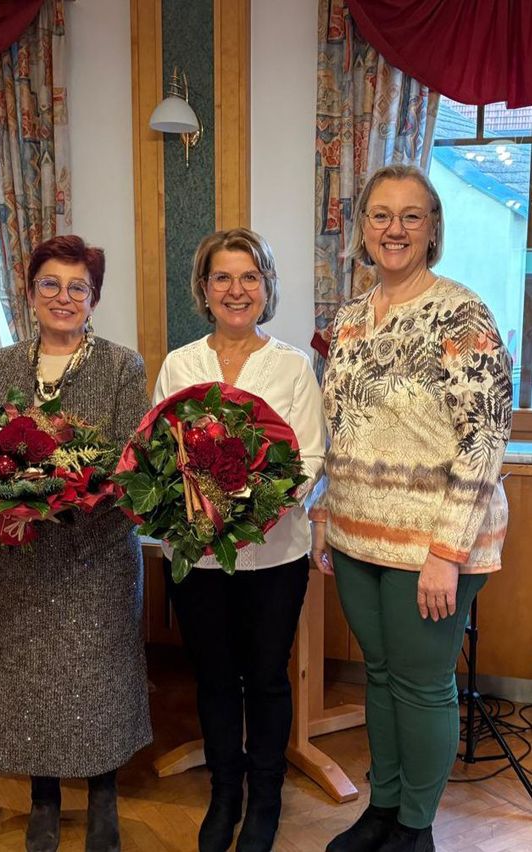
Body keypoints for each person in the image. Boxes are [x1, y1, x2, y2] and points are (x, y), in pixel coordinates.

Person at [312, 164, 512, 852]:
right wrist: (323, 515)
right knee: (380, 675)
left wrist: (445, 555)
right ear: (363, 230)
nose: (393, 229)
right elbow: (338, 427)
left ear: (432, 231)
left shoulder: (462, 314)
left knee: (423, 686)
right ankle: (383, 808)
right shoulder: (349, 318)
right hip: (357, 533)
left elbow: (486, 438)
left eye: (411, 216)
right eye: (380, 215)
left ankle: (416, 830)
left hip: (434, 544)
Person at [0, 235, 151, 852]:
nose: (63, 297)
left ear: (95, 298)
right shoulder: (1, 366)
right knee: (30, 682)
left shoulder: (122, 366)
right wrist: (11, 502)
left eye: (78, 287)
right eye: (50, 283)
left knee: (98, 678)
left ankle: (104, 797)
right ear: (29, 292)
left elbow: (133, 464)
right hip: (21, 553)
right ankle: (42, 800)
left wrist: (78, 503)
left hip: (95, 553)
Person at [152, 228, 326, 852]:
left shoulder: (291, 366)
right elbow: (160, 454)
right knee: (215, 678)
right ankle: (225, 793)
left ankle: (266, 797)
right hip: (196, 556)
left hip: (276, 553)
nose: (236, 289)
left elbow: (307, 457)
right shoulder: (180, 364)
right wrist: (203, 512)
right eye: (222, 278)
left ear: (266, 288)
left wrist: (246, 512)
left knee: (267, 678)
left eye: (249, 277)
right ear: (203, 288)